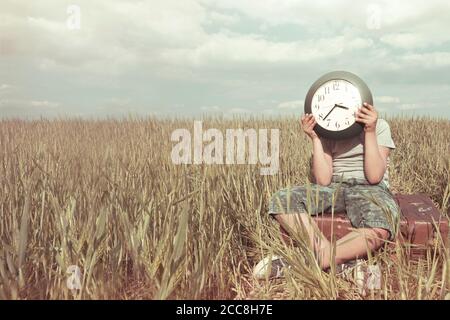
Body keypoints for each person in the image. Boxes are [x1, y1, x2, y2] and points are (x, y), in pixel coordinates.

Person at [254, 102, 400, 278]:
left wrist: (369, 131)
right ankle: (331, 258)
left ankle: (310, 261)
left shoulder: (380, 126)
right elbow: (323, 181)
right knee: (281, 199)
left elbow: (374, 176)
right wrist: (316, 138)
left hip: (370, 187)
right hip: (335, 186)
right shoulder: (330, 131)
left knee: (380, 225)